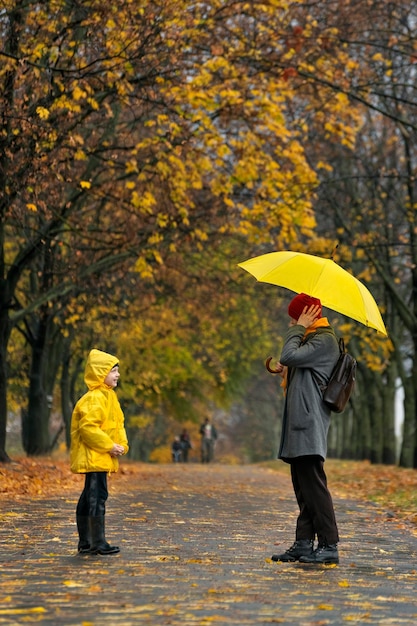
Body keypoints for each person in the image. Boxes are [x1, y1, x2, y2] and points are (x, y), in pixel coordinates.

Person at [270, 293, 341, 565]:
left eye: (295, 316)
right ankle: (303, 543)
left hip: (309, 423)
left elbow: (289, 354)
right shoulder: (312, 340)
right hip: (301, 423)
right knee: (303, 486)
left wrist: (296, 329)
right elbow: (293, 363)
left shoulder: (324, 340)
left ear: (307, 315)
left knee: (314, 486)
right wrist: (284, 369)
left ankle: (329, 544)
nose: (291, 320)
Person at [70, 348, 129, 556]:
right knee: (97, 496)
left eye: (117, 370)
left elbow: (117, 424)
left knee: (90, 496)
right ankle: (97, 542)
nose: (117, 374)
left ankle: (86, 542)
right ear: (100, 373)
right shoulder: (95, 398)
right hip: (95, 455)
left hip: (101, 455)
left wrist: (121, 444)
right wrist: (109, 446)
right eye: (113, 370)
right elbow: (88, 429)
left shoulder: (109, 397)